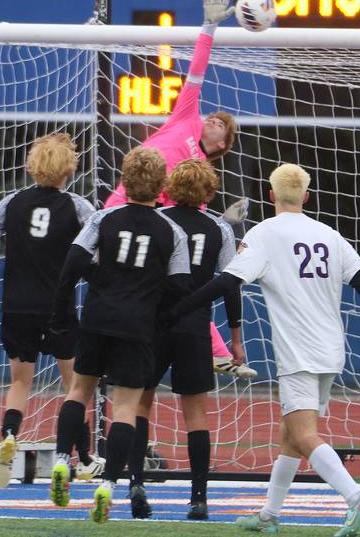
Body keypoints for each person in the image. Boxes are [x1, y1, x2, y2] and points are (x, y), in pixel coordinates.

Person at [162, 163, 360, 537]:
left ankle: (355, 496)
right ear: (307, 196)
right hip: (331, 349)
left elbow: (226, 282)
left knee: (302, 434)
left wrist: (175, 311)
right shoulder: (329, 234)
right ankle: (269, 515)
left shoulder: (265, 233)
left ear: (270, 196)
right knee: (290, 434)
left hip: (298, 353)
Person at [103, 0, 255, 380]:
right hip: (122, 203)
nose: (213, 120)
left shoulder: (202, 175)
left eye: (222, 123)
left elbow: (193, 220)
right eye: (214, 117)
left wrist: (224, 222)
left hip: (154, 223)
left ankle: (219, 352)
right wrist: (208, 26)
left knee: (179, 289)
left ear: (222, 143)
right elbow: (196, 72)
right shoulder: (186, 118)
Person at [47, 146, 191, 525]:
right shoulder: (171, 230)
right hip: (137, 325)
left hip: (98, 317)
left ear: (124, 181)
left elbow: (73, 263)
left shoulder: (104, 217)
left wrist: (71, 303)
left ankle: (62, 460)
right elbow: (180, 288)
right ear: (162, 186)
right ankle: (109, 483)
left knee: (79, 390)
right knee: (125, 408)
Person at [0, 133, 103, 488]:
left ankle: (10, 435)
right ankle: (82, 458)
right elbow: (99, 248)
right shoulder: (78, 207)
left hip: (17, 306)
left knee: (20, 381)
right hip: (58, 307)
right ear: (67, 169)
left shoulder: (13, 202)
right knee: (75, 386)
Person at [127, 159, 242, 521]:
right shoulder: (219, 228)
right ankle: (198, 498)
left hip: (155, 323)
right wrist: (235, 338)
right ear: (209, 191)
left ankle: (137, 484)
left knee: (139, 404)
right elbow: (231, 283)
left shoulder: (159, 220)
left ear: (171, 188)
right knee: (195, 415)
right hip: (195, 328)